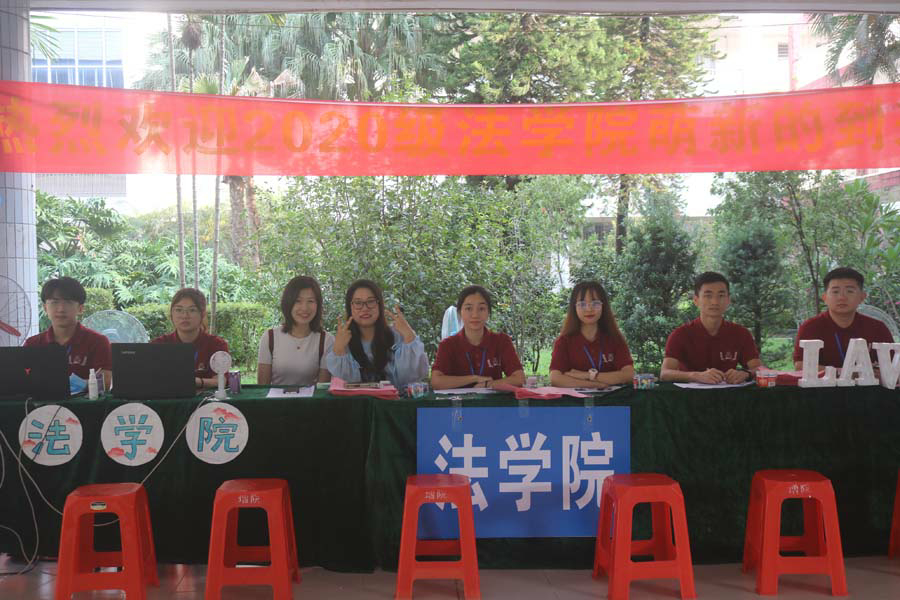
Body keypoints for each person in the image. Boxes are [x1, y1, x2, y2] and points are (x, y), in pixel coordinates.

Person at [660, 272, 762, 384]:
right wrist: (695, 375)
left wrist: (746, 373)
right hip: (690, 394)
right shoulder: (680, 334)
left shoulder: (741, 333)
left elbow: (759, 368)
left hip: (730, 393)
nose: (715, 302)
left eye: (721, 296)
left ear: (728, 300)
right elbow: (665, 373)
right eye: (708, 296)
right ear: (696, 300)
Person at [326, 279, 428, 389]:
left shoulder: (397, 336)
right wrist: (339, 349)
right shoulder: (343, 342)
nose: (365, 308)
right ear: (350, 307)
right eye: (358, 303)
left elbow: (411, 380)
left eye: (370, 301)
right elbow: (345, 386)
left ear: (379, 305)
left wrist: (409, 336)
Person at [793, 267, 894, 370]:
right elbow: (800, 366)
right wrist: (844, 373)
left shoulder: (877, 328)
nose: (842, 297)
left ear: (862, 297)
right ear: (825, 298)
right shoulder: (810, 327)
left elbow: (894, 365)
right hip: (824, 381)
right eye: (835, 292)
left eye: (850, 291)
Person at [25, 276, 111, 390]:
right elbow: (23, 379)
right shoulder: (32, 344)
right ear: (45, 308)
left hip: (85, 402)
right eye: (54, 302)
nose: (61, 309)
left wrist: (77, 385)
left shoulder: (98, 342)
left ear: (80, 308)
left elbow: (106, 382)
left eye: (68, 302)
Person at [431, 285, 525, 389]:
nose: (475, 315)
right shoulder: (448, 345)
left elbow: (519, 378)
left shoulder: (501, 341)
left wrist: (488, 384)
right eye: (468, 308)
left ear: (488, 312)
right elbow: (436, 382)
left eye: (481, 308)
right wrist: (474, 378)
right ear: (460, 312)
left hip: (493, 399)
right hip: (457, 400)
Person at [549, 281, 634, 388]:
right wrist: (595, 385)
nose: (589, 309)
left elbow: (629, 374)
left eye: (595, 303)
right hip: (575, 398)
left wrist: (586, 375)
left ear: (603, 306)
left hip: (613, 397)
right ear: (574, 308)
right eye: (582, 304)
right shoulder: (564, 341)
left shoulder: (615, 339)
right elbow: (555, 378)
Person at [257, 276, 334, 386]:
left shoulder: (326, 340)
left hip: (311, 398)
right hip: (275, 397)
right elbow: (262, 387)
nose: (304, 308)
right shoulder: (270, 337)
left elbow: (322, 389)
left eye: (311, 301)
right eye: (298, 301)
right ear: (288, 303)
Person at [151, 288, 228, 390]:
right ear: (171, 314)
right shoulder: (158, 345)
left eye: (192, 310)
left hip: (206, 399)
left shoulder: (217, 344)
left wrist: (197, 382)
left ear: (202, 314)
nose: (185, 316)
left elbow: (221, 380)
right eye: (179, 310)